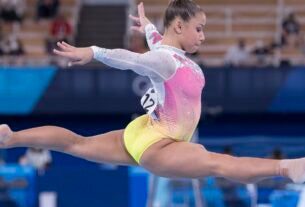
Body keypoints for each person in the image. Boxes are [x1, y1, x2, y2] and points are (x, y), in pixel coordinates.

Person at [1, 0, 305, 185]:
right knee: (217, 163)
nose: (203, 35)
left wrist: (147, 26)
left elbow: (159, 40)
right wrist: (92, 52)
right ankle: (287, 168)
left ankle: (11, 138)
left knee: (77, 144)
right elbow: (131, 59)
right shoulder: (164, 60)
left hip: (144, 132)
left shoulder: (166, 51)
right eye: (198, 28)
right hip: (159, 145)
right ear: (179, 25)